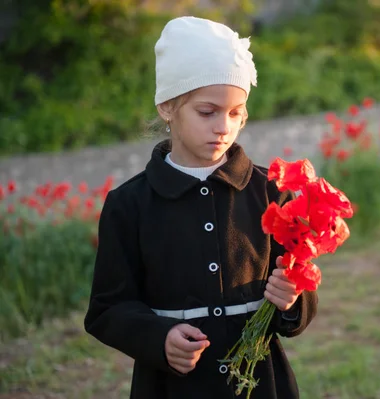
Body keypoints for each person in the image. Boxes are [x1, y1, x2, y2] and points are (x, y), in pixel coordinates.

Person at [83, 16, 318, 399]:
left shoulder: (271, 192)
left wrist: (291, 300)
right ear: (167, 107)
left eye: (236, 112)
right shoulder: (129, 205)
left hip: (259, 385)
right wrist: (160, 339)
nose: (223, 127)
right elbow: (108, 309)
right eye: (207, 112)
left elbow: (298, 298)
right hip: (172, 388)